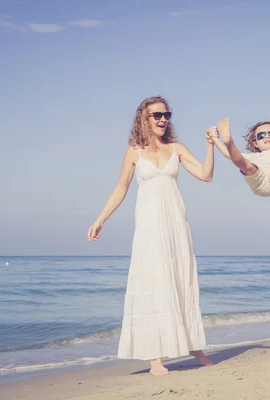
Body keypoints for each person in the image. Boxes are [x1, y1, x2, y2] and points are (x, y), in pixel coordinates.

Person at [87, 96, 216, 375]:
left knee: (182, 280)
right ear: (142, 120)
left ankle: (195, 347)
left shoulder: (176, 148)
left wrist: (210, 144)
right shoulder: (134, 151)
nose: (162, 119)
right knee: (153, 283)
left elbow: (206, 175)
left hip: (176, 227)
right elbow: (120, 189)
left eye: (166, 114)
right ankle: (154, 356)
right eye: (155, 115)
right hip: (149, 229)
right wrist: (100, 219)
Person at [210, 98, 270, 197]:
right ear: (256, 143)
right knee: (247, 166)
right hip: (260, 185)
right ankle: (229, 142)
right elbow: (227, 153)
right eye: (261, 135)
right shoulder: (252, 157)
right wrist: (214, 138)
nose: (267, 136)